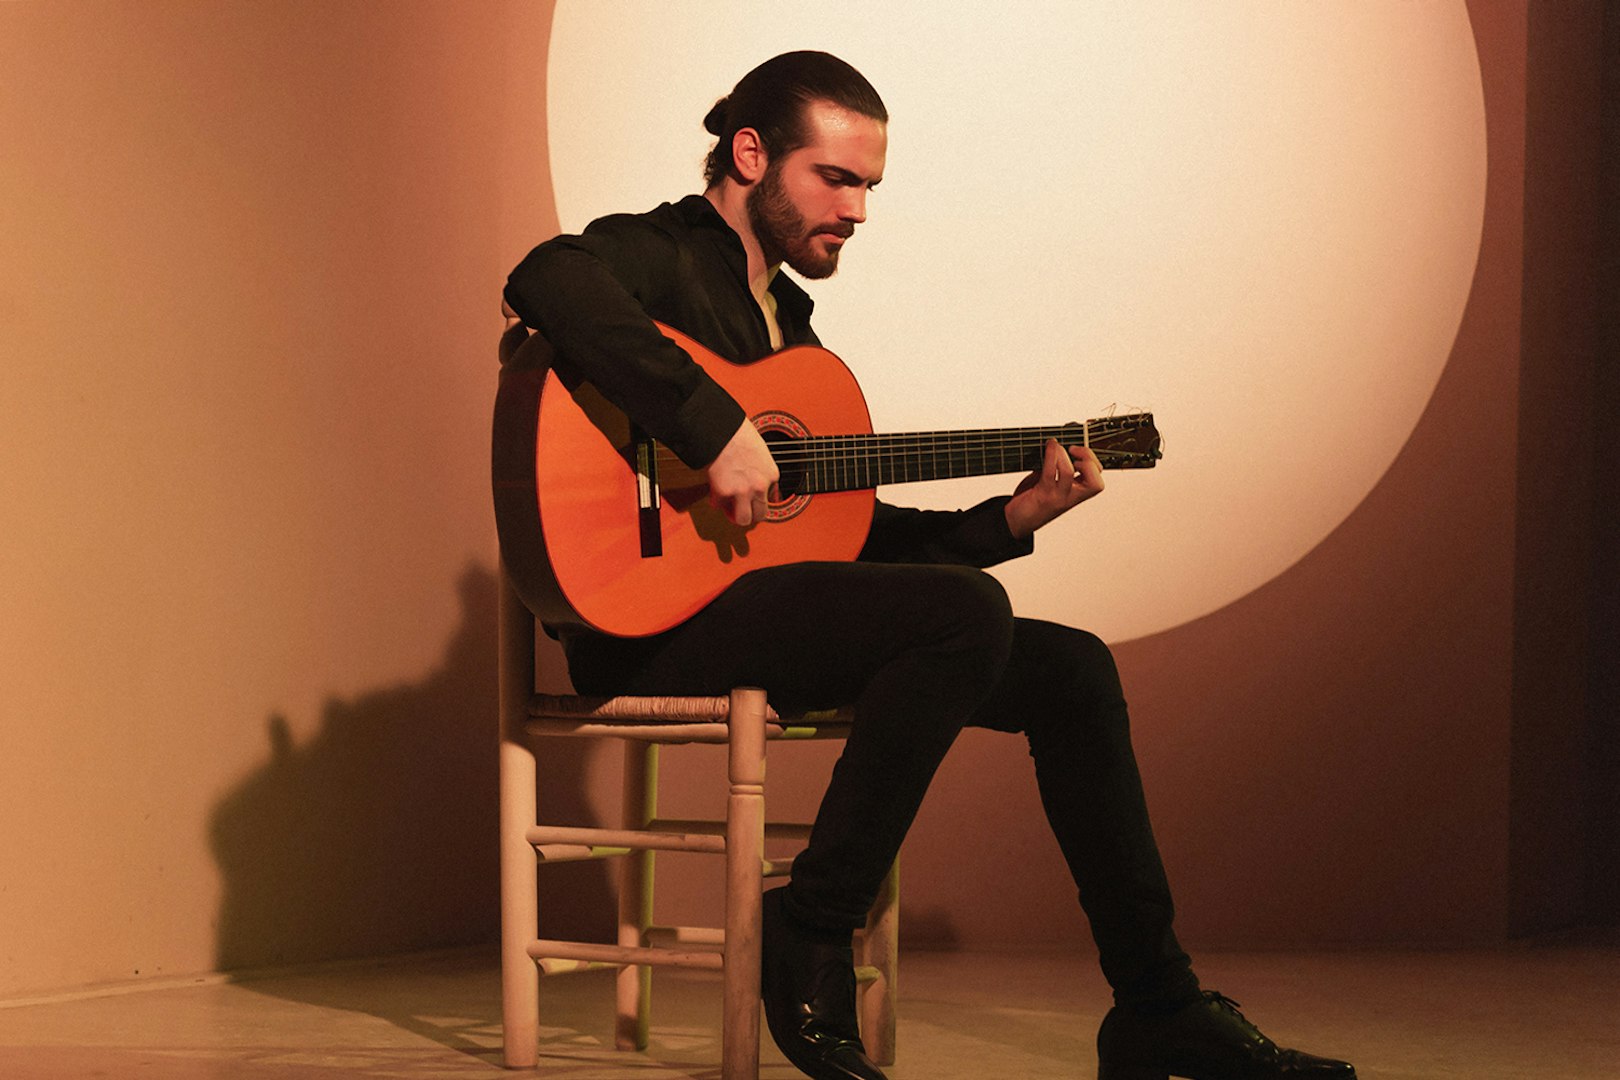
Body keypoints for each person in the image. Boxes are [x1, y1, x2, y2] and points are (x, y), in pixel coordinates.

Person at [504, 50, 1356, 1080]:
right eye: (836, 179)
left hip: (755, 613)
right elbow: (546, 277)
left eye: (869, 186)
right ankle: (812, 924)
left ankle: (1157, 1002)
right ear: (750, 154)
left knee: (1073, 668)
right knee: (962, 612)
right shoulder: (661, 252)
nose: (857, 211)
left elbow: (845, 540)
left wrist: (1011, 517)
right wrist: (710, 424)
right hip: (645, 625)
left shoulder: (790, 327)